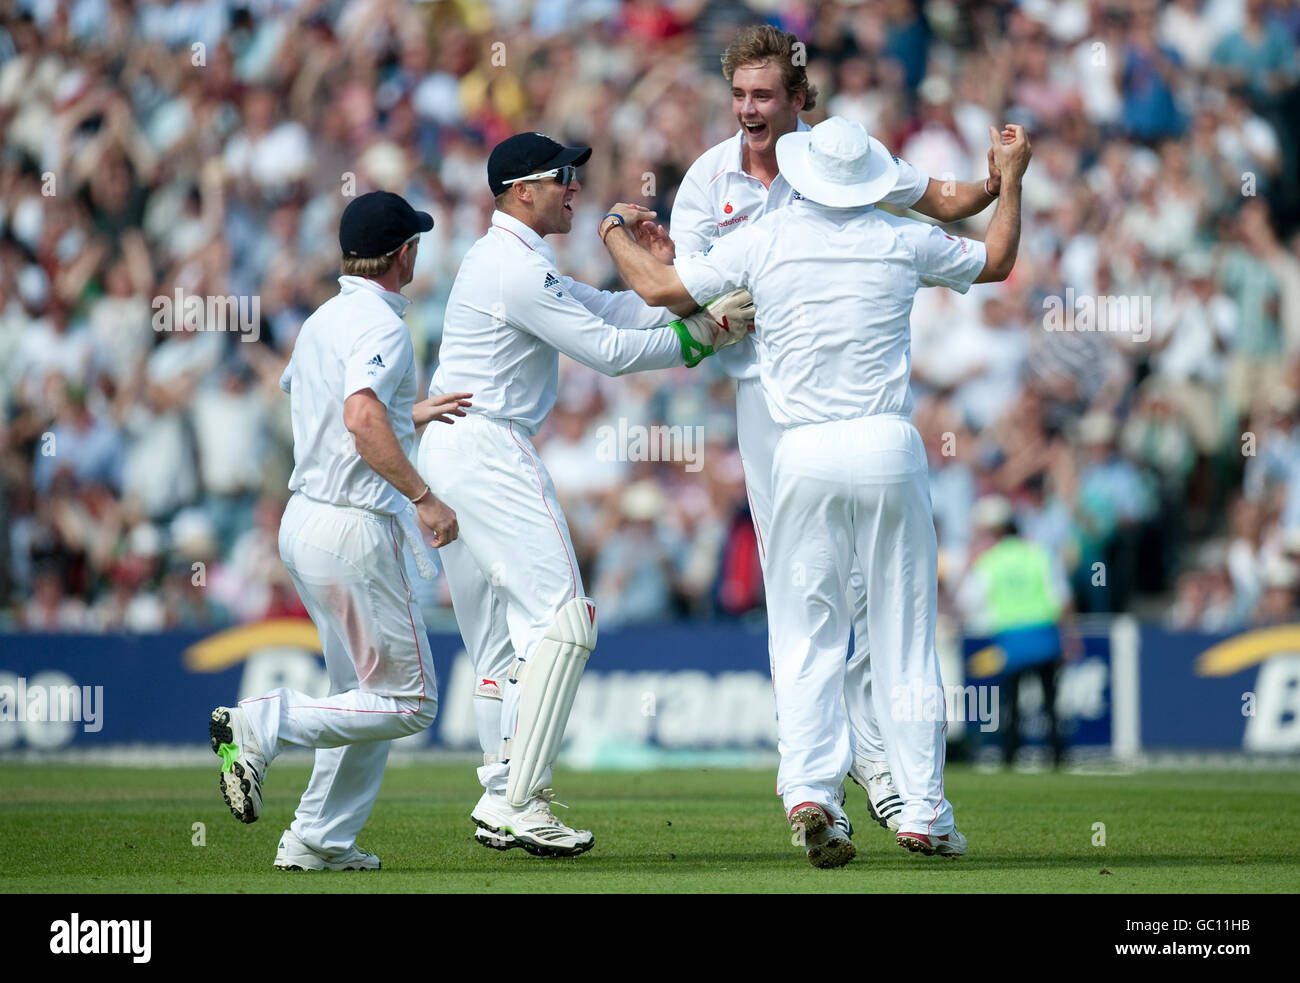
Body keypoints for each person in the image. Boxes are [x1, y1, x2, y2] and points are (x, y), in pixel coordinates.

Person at [600, 115, 1032, 866]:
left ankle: (809, 789)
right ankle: (924, 807)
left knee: (806, 630)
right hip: (885, 443)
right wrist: (1012, 177)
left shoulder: (764, 239)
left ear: (801, 175)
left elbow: (661, 287)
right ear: (867, 180)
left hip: (799, 447)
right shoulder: (899, 237)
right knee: (903, 634)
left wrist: (612, 229)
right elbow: (996, 259)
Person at [664, 24, 1006, 840]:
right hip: (770, 407)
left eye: (764, 97)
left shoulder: (843, 160)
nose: (749, 111)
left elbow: (948, 200)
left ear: (797, 101)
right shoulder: (710, 178)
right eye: (739, 96)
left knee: (832, 602)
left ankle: (864, 768)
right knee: (835, 597)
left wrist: (995, 179)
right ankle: (871, 779)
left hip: (812, 426)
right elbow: (687, 290)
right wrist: (1014, 184)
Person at [418, 132, 752, 858]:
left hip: (457, 448)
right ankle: (521, 801)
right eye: (564, 176)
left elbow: (614, 310)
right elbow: (608, 352)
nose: (576, 186)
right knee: (564, 618)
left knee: (503, 645)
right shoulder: (513, 267)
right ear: (521, 190)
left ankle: (499, 784)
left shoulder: (517, 259)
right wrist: (703, 336)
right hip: (487, 443)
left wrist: (687, 292)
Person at [208, 190, 469, 871]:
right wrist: (424, 496)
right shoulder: (383, 324)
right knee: (409, 702)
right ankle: (262, 721)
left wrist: (407, 412)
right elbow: (357, 419)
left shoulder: (324, 317)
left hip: (307, 522)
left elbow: (327, 408)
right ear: (404, 253)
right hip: (354, 530)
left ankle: (317, 841)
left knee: (365, 696)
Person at [956, 495, 1079, 767]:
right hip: (1045, 635)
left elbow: (967, 600)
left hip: (1011, 640)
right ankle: (1058, 756)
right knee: (1051, 702)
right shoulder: (1040, 554)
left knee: (1010, 703)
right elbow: (1062, 598)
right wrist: (1071, 635)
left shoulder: (989, 560)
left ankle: (1010, 757)